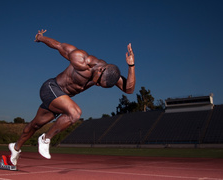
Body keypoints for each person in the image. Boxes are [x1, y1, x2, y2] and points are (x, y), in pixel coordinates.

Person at [8, 29, 135, 166]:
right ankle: (45, 139)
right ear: (100, 69)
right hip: (51, 88)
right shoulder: (80, 59)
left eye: (101, 86)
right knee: (75, 113)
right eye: (98, 82)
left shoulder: (110, 75)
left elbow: (128, 89)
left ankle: (15, 148)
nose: (97, 85)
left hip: (61, 99)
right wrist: (40, 38)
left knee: (35, 124)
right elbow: (58, 45)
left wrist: (131, 65)